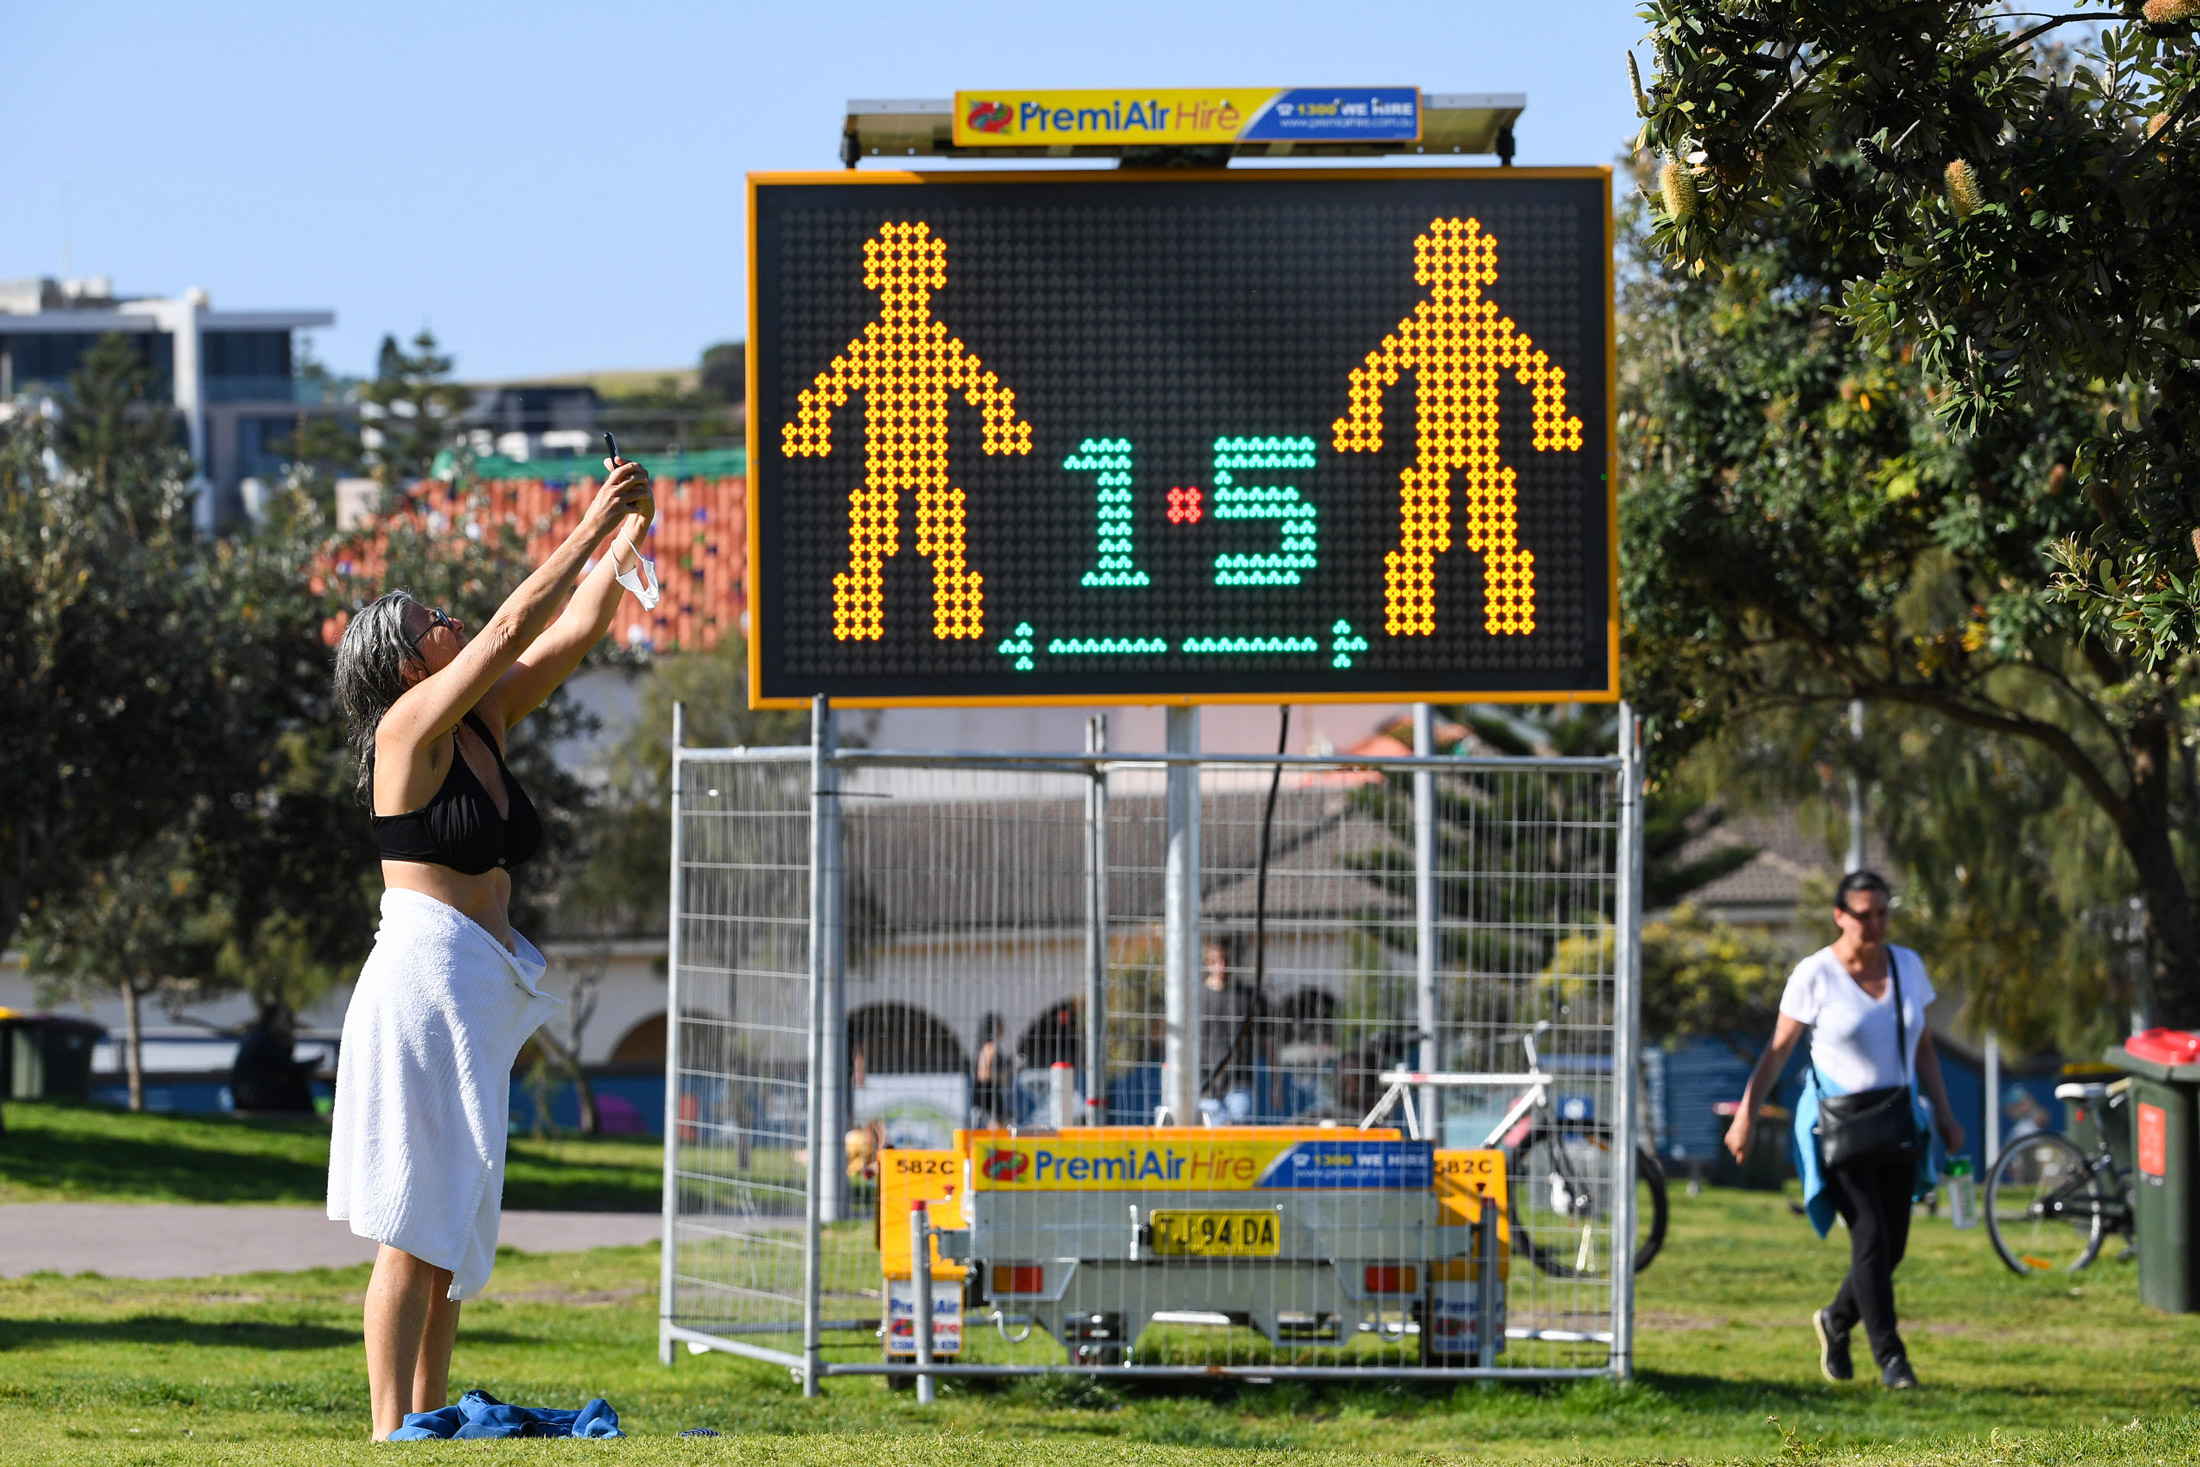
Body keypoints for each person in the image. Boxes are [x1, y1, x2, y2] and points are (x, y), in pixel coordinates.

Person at [327, 456, 654, 1439]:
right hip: (422, 984)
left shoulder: (484, 717)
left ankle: (428, 1417)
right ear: (404, 664)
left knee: (454, 1216)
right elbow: (513, 624)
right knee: (413, 1216)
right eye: (430, 621)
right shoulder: (407, 731)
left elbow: (576, 628)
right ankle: (389, 1428)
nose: (450, 620)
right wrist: (587, 523)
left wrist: (630, 532)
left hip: (473, 990)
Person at [1724, 871, 1964, 1390]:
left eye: (1882, 913)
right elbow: (1777, 1052)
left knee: (1892, 1246)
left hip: (1898, 1119)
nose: (1875, 924)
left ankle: (1837, 1318)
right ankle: (1892, 1359)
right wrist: (1747, 1113)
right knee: (1870, 1235)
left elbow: (1923, 1047)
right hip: (1838, 1125)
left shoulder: (1907, 965)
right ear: (1840, 916)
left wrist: (1945, 1114)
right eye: (1863, 915)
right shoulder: (1815, 974)